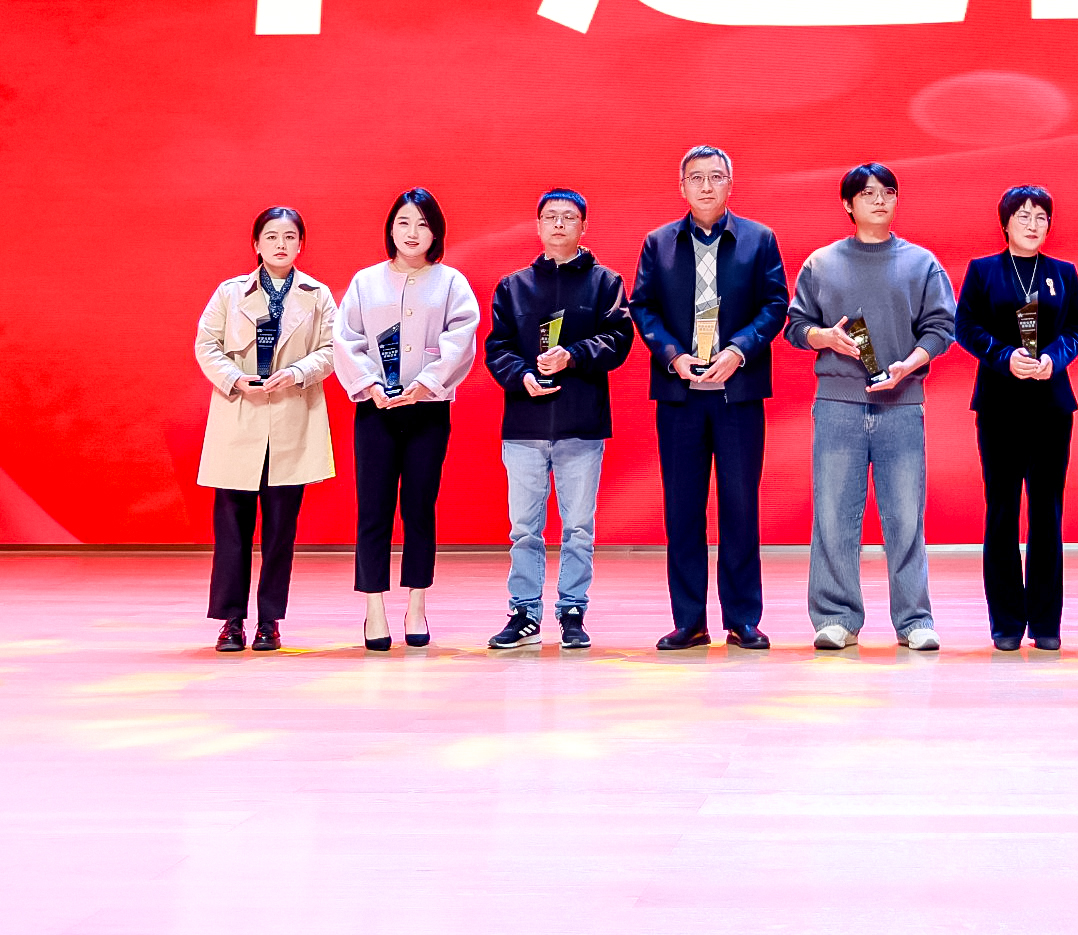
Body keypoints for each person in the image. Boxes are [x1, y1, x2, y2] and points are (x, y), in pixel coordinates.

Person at [785, 162, 958, 652]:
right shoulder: (821, 263)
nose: (879, 200)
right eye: (867, 193)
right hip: (837, 404)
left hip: (901, 404)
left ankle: (914, 619)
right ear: (848, 204)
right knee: (833, 514)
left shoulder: (922, 263)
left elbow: (941, 328)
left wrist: (910, 364)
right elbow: (795, 326)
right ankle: (836, 617)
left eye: (888, 191)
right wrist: (825, 337)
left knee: (906, 515)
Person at [631, 144, 788, 650]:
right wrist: (672, 355)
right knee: (683, 510)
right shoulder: (659, 243)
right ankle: (689, 620)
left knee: (740, 507)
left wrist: (739, 350)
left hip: (737, 394)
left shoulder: (759, 239)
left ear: (729, 184)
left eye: (715, 176)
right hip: (680, 395)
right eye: (695, 177)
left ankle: (742, 619)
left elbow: (775, 304)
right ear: (681, 187)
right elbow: (642, 307)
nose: (705, 185)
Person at [480, 189, 636, 654]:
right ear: (538, 225)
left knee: (579, 528)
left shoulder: (605, 283)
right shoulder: (513, 286)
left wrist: (573, 355)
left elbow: (619, 339)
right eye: (551, 217)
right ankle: (524, 612)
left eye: (569, 217)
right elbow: (497, 348)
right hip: (525, 425)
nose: (560, 224)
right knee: (524, 529)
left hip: (581, 424)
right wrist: (522, 376)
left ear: (584, 226)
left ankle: (572, 611)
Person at [332, 187, 479, 653]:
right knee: (373, 509)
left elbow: (461, 338)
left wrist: (427, 384)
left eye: (422, 224)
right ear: (390, 229)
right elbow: (346, 339)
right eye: (403, 223)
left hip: (428, 410)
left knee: (419, 508)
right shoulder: (365, 282)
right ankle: (374, 607)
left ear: (436, 232)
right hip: (374, 409)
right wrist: (370, 386)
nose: (413, 233)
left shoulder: (451, 282)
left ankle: (417, 603)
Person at [192, 206, 341, 653]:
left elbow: (333, 349)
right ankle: (231, 621)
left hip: (291, 419)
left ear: (301, 245)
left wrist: (296, 373)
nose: (281, 244)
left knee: (280, 533)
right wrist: (235, 378)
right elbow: (206, 344)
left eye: (290, 237)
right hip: (240, 417)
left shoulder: (317, 295)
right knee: (232, 530)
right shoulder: (230, 293)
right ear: (256, 244)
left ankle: (270, 621)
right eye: (272, 236)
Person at [951, 185, 1078, 651]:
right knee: (1002, 511)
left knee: (1047, 513)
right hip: (1000, 406)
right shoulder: (983, 270)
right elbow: (966, 327)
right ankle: (1007, 622)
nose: (1033, 224)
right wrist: (1004, 356)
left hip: (1051, 406)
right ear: (1005, 223)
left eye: (1041, 217)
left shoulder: (1062, 273)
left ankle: (1047, 622)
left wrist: (1054, 358)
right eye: (1023, 216)